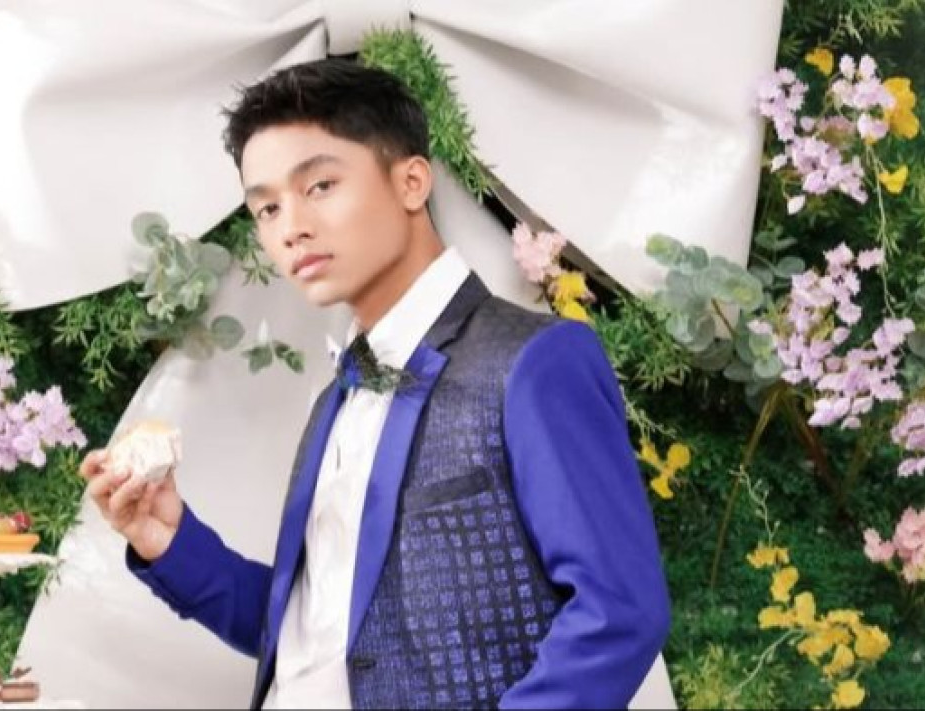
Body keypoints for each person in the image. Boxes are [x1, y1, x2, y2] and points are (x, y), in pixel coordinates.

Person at [80, 58, 670, 710]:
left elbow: (619, 612)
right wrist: (165, 538)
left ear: (411, 181)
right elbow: (316, 637)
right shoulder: (338, 395)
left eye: (320, 185)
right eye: (267, 207)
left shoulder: (533, 359)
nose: (290, 227)